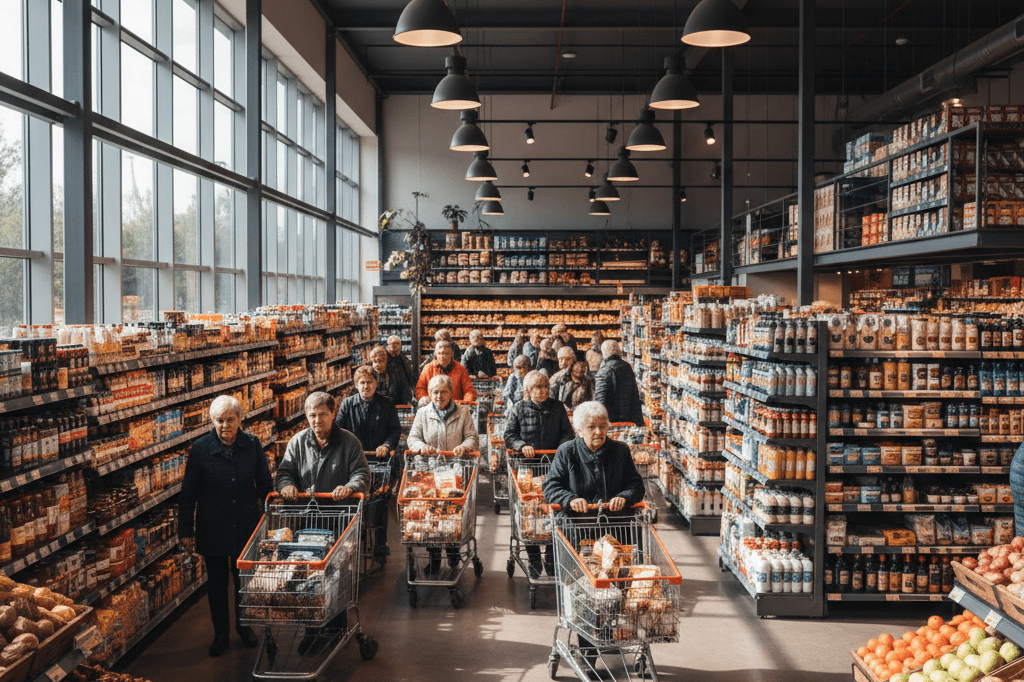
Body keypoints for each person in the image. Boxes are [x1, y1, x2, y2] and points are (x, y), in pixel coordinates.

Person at [542, 401, 646, 677]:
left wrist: (624, 497)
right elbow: (551, 487)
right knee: (586, 595)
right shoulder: (567, 452)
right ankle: (588, 654)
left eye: (603, 426)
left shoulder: (620, 452)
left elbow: (636, 485)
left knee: (619, 590)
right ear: (578, 429)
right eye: (591, 427)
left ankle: (615, 634)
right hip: (580, 536)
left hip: (616, 536)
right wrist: (569, 499)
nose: (598, 432)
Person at [276, 392, 371, 654]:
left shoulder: (349, 442)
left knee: (337, 575)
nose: (317, 421)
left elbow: (362, 474)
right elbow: (285, 471)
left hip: (339, 521)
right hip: (306, 524)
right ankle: (313, 629)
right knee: (310, 576)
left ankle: (335, 626)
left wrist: (349, 488)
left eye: (322, 415)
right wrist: (286, 486)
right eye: (312, 416)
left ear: (333, 414)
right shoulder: (297, 442)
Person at [179, 395, 273, 656]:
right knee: (217, 582)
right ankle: (221, 633)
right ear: (212, 421)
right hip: (213, 526)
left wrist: (270, 519)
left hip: (246, 524)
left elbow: (265, 484)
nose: (225, 426)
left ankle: (244, 627)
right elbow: (188, 492)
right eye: (219, 421)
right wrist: (185, 530)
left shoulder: (252, 445)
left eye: (230, 420)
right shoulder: (200, 449)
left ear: (240, 420)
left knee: (244, 579)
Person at [502, 371, 575, 576]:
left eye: (545, 386)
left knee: (553, 509)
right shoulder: (518, 408)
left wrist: (561, 450)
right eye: (537, 387)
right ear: (528, 390)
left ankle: (551, 557)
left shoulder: (557, 407)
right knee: (529, 512)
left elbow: (567, 433)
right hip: (527, 468)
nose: (543, 390)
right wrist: (521, 445)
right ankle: (533, 557)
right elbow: (509, 435)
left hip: (553, 468)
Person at [407, 374, 480, 572]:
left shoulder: (463, 412)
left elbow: (473, 437)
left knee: (452, 514)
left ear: (451, 392)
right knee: (432, 516)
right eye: (435, 392)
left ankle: (454, 551)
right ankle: (435, 557)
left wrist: (464, 447)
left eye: (444, 392)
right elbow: (412, 438)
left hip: (455, 472)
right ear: (430, 394)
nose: (439, 396)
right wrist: (421, 447)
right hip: (429, 472)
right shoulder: (423, 413)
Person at [335, 365, 401, 560]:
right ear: (356, 385)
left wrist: (387, 445)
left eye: (370, 382)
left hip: (378, 461)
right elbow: (338, 430)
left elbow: (395, 430)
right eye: (362, 383)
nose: (366, 386)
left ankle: (381, 543)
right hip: (354, 462)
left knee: (379, 501)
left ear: (376, 383)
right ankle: (359, 536)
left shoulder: (387, 404)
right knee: (355, 499)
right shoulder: (347, 405)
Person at [593, 339, 645, 427]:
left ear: (603, 353)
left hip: (612, 421)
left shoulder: (604, 370)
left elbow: (600, 400)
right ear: (619, 351)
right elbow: (635, 396)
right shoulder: (627, 366)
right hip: (629, 419)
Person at [415, 340, 476, 407]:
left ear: (452, 354)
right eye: (439, 353)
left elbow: (469, 391)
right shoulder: (428, 368)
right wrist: (427, 401)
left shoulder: (461, 369)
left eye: (445, 353)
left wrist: (465, 404)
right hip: (433, 407)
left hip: (455, 408)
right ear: (435, 354)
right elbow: (420, 388)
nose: (442, 356)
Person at [386, 335, 416, 401]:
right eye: (393, 344)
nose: (396, 346)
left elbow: (409, 373)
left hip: (404, 394)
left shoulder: (403, 356)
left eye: (398, 344)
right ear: (388, 345)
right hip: (390, 395)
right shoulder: (384, 358)